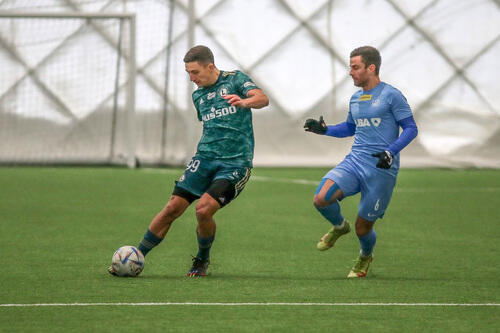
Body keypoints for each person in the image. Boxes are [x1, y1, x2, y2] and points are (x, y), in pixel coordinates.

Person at [109, 45, 269, 277]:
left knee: (203, 210)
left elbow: (262, 99)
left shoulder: (235, 80)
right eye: (188, 74)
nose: (192, 79)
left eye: (195, 72)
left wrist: (245, 102)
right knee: (173, 206)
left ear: (210, 66)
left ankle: (202, 259)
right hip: (204, 159)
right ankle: (136, 257)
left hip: (235, 163)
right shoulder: (198, 96)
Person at [304, 46, 418, 278]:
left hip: (381, 169)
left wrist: (390, 151)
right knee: (321, 198)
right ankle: (338, 226)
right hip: (355, 161)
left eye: (355, 67)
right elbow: (350, 128)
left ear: (371, 68)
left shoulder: (391, 95)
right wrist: (324, 130)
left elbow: (411, 128)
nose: (351, 72)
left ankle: (365, 256)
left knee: (363, 228)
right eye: (351, 67)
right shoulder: (356, 98)